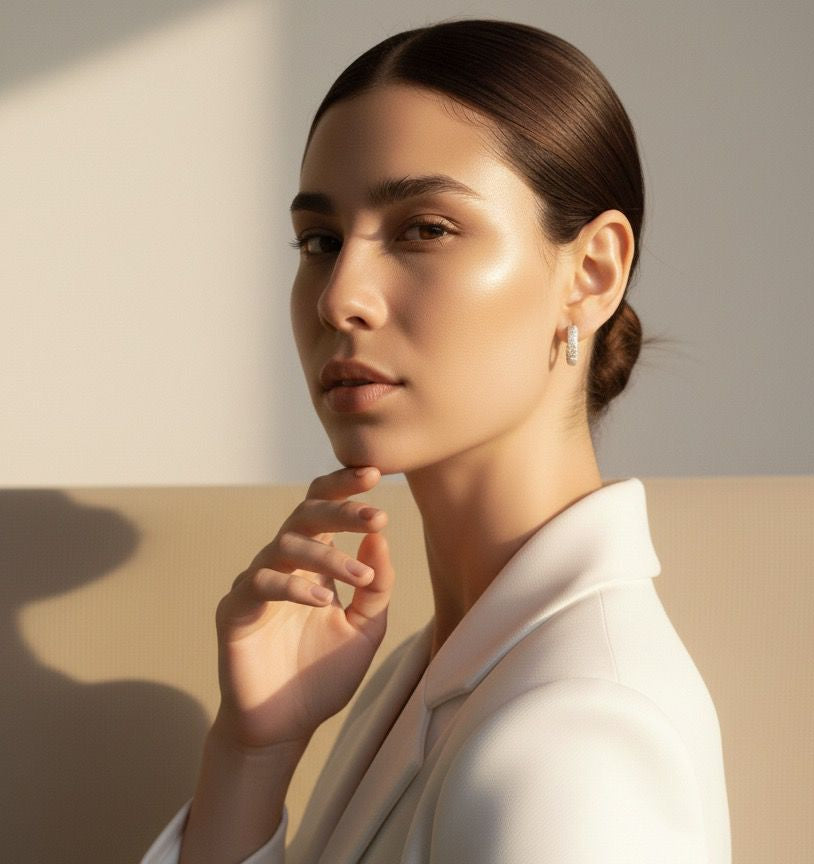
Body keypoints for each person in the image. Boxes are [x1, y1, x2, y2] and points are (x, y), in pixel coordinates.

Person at [141, 18, 731, 864]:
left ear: (592, 272)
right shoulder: (432, 673)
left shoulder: (577, 741)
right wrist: (253, 751)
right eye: (321, 241)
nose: (340, 297)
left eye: (425, 229)